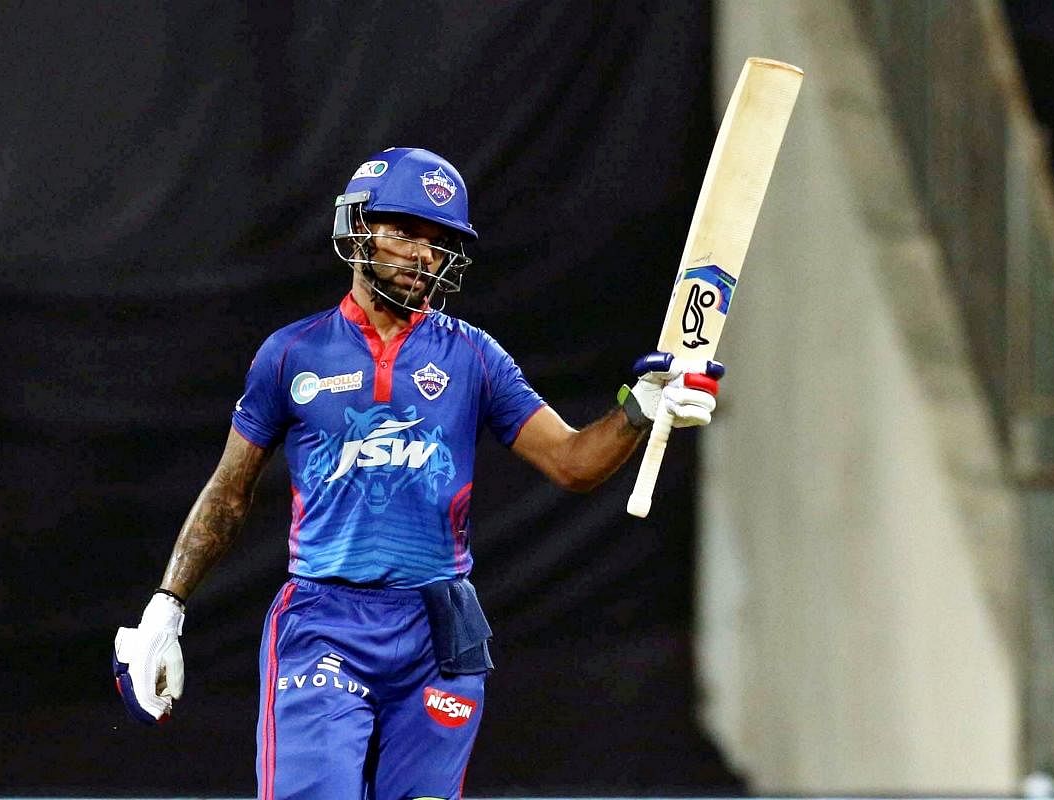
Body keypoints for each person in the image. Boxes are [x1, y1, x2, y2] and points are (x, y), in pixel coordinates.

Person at [113, 146, 723, 800]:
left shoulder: (475, 357)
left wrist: (638, 409)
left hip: (441, 625)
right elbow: (230, 493)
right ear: (358, 227)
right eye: (404, 231)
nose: (422, 254)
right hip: (325, 620)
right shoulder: (292, 354)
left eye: (438, 242)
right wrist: (166, 607)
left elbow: (573, 463)